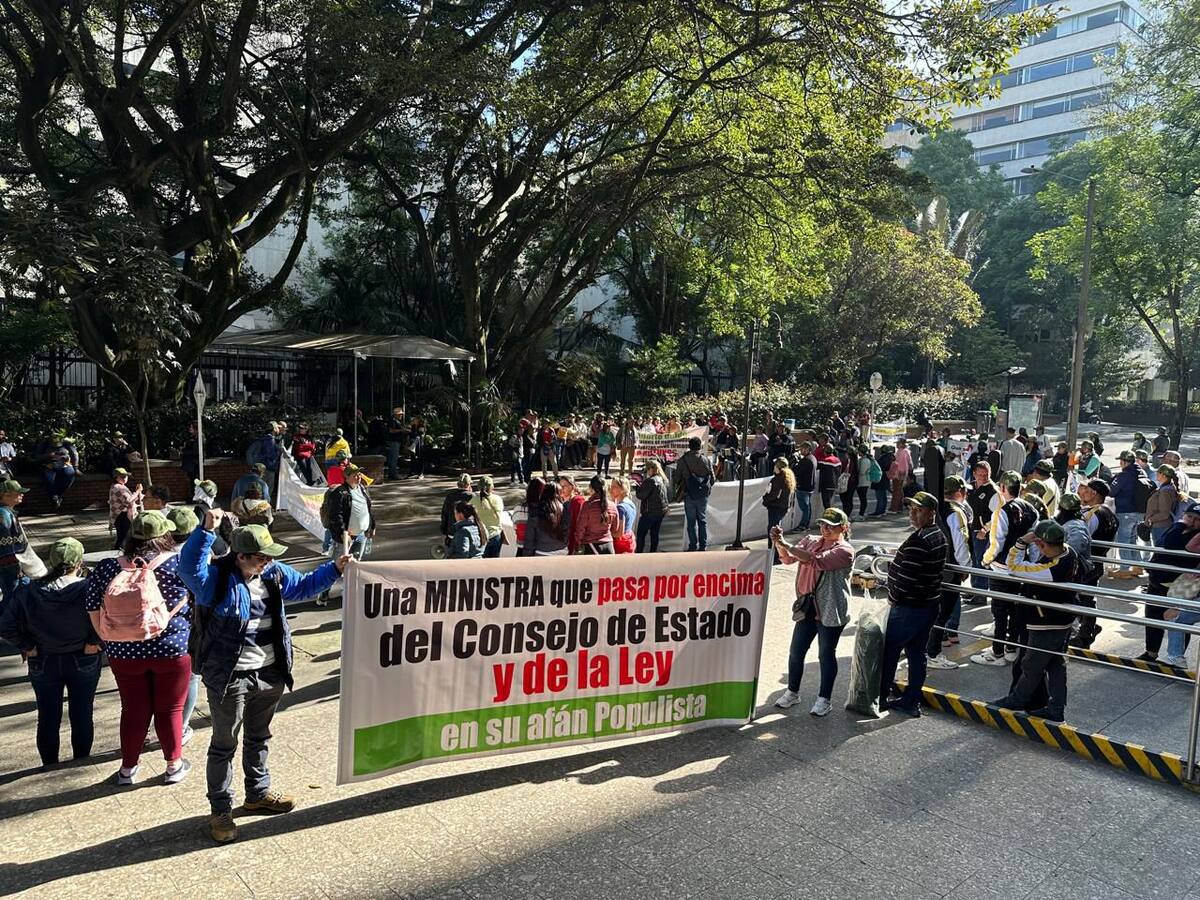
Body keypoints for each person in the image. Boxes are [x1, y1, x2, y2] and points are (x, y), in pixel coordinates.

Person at [178, 512, 346, 843]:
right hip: (230, 678)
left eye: (270, 556)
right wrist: (206, 531)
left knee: (260, 737)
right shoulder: (216, 579)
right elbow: (189, 570)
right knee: (224, 744)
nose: (267, 562)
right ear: (240, 556)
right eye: (260, 557)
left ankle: (257, 794)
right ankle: (221, 811)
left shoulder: (273, 574)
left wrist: (336, 568)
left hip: (270, 675)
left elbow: (304, 586)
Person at [84, 510, 192, 786]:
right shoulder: (179, 564)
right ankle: (173, 766)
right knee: (170, 709)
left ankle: (128, 769)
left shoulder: (108, 567)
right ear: (165, 536)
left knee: (132, 709)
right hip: (171, 648)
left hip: (123, 651)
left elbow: (93, 606)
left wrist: (110, 639)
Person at [0, 538, 100, 766]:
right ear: (80, 561)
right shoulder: (88, 588)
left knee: (47, 717)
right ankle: (81, 761)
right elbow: (106, 616)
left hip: (43, 659)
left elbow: (5, 625)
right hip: (83, 656)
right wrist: (94, 640)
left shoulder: (29, 592)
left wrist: (27, 645)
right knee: (82, 714)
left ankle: (50, 764)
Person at [989, 520, 1081, 722]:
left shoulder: (1049, 569)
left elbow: (1013, 566)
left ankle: (1016, 700)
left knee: (1031, 665)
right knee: (1056, 665)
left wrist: (1021, 542)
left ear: (1040, 543)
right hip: (1060, 620)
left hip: (1046, 622)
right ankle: (1056, 708)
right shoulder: (1068, 552)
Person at [770, 508, 854, 716]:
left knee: (826, 654)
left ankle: (824, 699)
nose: (825, 529)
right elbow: (788, 559)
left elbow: (814, 560)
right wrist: (779, 543)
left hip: (831, 609)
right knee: (796, 651)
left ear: (843, 528)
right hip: (807, 606)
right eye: (823, 524)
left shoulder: (845, 550)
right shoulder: (810, 539)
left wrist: (787, 545)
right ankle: (792, 692)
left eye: (830, 526)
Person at [879, 492, 948, 717]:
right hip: (927, 606)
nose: (912, 513)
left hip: (910, 608)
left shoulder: (920, 540)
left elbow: (905, 582)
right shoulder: (938, 535)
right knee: (917, 654)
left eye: (918, 510)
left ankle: (880, 697)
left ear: (931, 513)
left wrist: (893, 597)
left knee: (890, 651)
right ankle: (911, 700)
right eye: (911, 509)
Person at [972, 472, 1038, 667]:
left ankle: (997, 652)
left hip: (1001, 567)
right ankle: (1011, 648)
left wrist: (985, 560)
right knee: (1016, 609)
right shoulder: (1031, 509)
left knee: (1000, 612)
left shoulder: (1001, 511)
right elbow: (1034, 542)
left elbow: (996, 542)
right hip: (1022, 567)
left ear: (1002, 488)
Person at [1139, 501, 1200, 664]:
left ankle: (1176, 656)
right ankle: (1151, 653)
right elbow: (1161, 543)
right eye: (1190, 516)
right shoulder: (1177, 527)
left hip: (1178, 585)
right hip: (1157, 580)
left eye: (1197, 519)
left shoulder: (1194, 535)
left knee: (1179, 620)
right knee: (1152, 618)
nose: (1192, 521)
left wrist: (1180, 525)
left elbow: (1171, 544)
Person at [928, 477, 972, 670]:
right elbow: (960, 544)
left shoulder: (934, 509)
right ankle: (933, 653)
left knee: (929, 613)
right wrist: (965, 568)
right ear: (960, 491)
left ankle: (924, 649)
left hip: (931, 568)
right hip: (950, 570)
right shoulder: (955, 513)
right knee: (942, 613)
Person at [1075, 479, 1118, 647]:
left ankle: (1086, 632)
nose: (1082, 491)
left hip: (1087, 562)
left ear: (1094, 493)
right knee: (1085, 597)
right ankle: (1089, 625)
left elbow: (1082, 539)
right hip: (1097, 560)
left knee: (1082, 598)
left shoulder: (1092, 514)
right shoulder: (1108, 512)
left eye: (1086, 488)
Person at [1110, 450, 1153, 577]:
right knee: (1132, 539)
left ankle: (1124, 569)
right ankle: (1137, 565)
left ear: (1123, 462)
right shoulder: (1142, 472)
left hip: (1126, 511)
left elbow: (1111, 491)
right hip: (1140, 512)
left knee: (1123, 539)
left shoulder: (1124, 475)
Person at [673, 436, 714, 552]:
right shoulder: (706, 459)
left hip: (689, 493)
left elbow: (676, 479)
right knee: (702, 519)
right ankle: (703, 545)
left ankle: (692, 545)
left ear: (689, 446)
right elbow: (713, 478)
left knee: (691, 522)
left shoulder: (683, 460)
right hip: (703, 494)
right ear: (699, 446)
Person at [327, 464, 376, 560]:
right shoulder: (339, 493)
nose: (359, 477)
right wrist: (342, 533)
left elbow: (368, 509)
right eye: (355, 475)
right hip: (346, 538)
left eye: (359, 474)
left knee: (355, 563)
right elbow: (335, 515)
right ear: (347, 477)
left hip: (361, 535)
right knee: (338, 565)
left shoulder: (362, 488)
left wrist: (372, 526)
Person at [0, 478, 30, 606]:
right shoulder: (3, 514)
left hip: (11, 561)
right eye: (18, 492)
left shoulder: (8, 512)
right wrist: (14, 565)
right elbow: (4, 543)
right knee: (13, 596)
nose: (21, 494)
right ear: (5, 495)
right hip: (9, 563)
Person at [575, 476, 619, 554]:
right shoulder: (612, 505)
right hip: (609, 546)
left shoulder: (588, 506)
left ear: (591, 488)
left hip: (591, 546)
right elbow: (615, 528)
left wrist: (578, 543)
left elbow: (580, 528)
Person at [763, 458, 796, 562]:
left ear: (778, 467)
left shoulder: (777, 479)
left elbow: (773, 494)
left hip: (775, 507)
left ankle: (774, 555)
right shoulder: (788, 477)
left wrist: (765, 499)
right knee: (776, 530)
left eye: (775, 466)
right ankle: (776, 554)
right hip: (782, 507)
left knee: (773, 532)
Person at [524, 481, 568, 556]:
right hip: (562, 550)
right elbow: (567, 529)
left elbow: (530, 537)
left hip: (542, 551)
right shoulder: (564, 508)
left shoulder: (536, 510)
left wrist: (527, 555)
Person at [634, 459, 669, 553]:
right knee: (655, 533)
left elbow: (641, 495)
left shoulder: (650, 481)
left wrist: (638, 488)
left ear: (651, 469)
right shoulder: (662, 479)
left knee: (641, 534)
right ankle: (653, 552)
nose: (646, 472)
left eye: (647, 469)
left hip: (650, 512)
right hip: (661, 511)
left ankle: (639, 553)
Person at [108, 468, 143, 550]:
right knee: (124, 536)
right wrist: (138, 491)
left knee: (123, 536)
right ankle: (119, 553)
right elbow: (129, 500)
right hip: (121, 515)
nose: (124, 478)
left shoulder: (119, 486)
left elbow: (131, 499)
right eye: (122, 477)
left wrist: (139, 492)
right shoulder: (118, 487)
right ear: (115, 477)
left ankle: (120, 551)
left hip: (121, 515)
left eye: (126, 477)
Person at [471, 476, 506, 558]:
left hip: (481, 536)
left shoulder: (473, 500)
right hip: (496, 535)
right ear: (492, 487)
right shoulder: (497, 499)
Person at [1146, 464, 1180, 547]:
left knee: (1159, 551)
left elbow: (1164, 513)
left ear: (1163, 475)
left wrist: (1150, 519)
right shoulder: (1167, 488)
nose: (1156, 474)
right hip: (1161, 526)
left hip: (1161, 526)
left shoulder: (1165, 491)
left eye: (1158, 473)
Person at [40, 434, 78, 508]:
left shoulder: (67, 444)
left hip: (64, 464)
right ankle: (54, 497)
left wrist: (74, 465)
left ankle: (58, 495)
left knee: (70, 474)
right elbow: (37, 457)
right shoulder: (44, 444)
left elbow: (74, 454)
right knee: (49, 479)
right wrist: (48, 455)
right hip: (49, 465)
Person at [440, 474, 474, 548]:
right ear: (469, 484)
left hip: (452, 533)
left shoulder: (450, 497)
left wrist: (444, 531)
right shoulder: (473, 497)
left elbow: (444, 515)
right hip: (470, 533)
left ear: (458, 484)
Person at [558, 476, 587, 555]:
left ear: (572, 486)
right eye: (560, 486)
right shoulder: (559, 501)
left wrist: (577, 543)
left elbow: (580, 525)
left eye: (564, 486)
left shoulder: (578, 501)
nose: (561, 488)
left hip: (573, 543)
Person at [813, 438, 842, 514]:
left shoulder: (823, 461)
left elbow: (816, 468)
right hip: (834, 484)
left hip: (825, 485)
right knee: (828, 502)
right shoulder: (838, 461)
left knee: (826, 504)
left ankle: (829, 519)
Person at [609, 476, 637, 554]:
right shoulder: (631, 503)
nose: (611, 490)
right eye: (611, 486)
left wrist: (607, 535)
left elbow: (619, 533)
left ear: (622, 489)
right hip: (630, 540)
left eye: (614, 487)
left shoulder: (620, 508)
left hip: (621, 545)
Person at [794, 441, 817, 527]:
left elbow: (797, 471)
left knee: (805, 507)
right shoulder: (813, 458)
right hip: (809, 486)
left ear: (808, 449)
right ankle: (806, 524)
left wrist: (796, 464)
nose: (801, 450)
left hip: (803, 486)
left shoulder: (806, 460)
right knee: (807, 507)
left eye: (802, 448)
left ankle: (803, 525)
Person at [1163, 451, 1191, 521]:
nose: (1162, 462)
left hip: (1171, 515)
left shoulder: (1173, 476)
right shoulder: (1184, 475)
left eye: (1164, 460)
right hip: (1180, 513)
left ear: (1169, 461)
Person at [887, 438, 912, 514]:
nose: (896, 444)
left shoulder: (902, 452)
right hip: (901, 473)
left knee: (896, 491)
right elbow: (909, 463)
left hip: (899, 473)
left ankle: (894, 508)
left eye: (898, 443)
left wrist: (899, 473)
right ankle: (899, 507)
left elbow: (902, 464)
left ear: (902, 444)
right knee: (899, 491)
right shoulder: (905, 451)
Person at [869, 444, 894, 518]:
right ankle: (882, 510)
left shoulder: (883, 459)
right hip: (885, 479)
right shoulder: (889, 458)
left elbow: (879, 468)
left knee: (880, 496)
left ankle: (879, 511)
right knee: (883, 496)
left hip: (880, 479)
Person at [385, 407, 407, 480]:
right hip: (393, 442)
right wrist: (402, 430)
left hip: (396, 441)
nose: (401, 416)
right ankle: (394, 474)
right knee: (393, 458)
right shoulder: (393, 420)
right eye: (400, 414)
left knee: (393, 458)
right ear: (396, 414)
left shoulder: (396, 421)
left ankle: (392, 474)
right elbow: (391, 431)